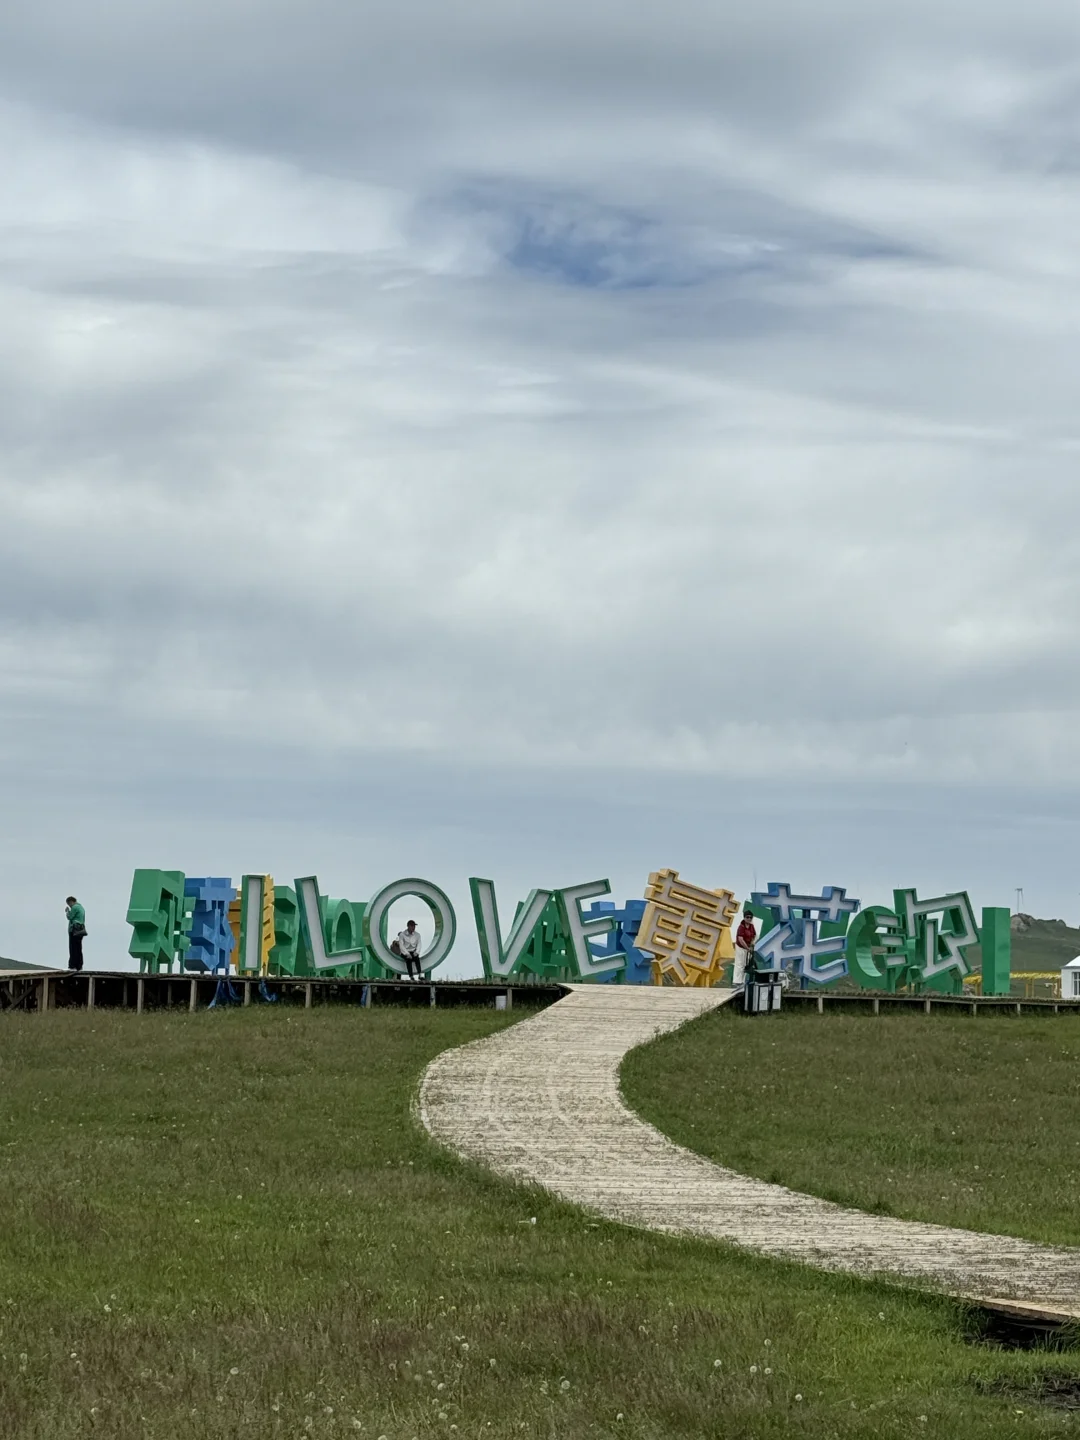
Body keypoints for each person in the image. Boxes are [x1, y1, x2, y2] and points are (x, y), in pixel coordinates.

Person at [734, 906, 756, 989]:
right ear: (744, 917)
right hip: (740, 946)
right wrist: (747, 947)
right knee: (739, 963)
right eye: (747, 917)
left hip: (748, 946)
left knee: (745, 964)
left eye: (750, 917)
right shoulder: (741, 927)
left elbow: (753, 935)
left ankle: (742, 981)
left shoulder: (751, 926)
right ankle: (737, 982)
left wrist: (752, 943)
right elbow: (740, 939)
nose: (749, 919)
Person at [65, 895, 87, 972]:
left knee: (73, 948)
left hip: (74, 930)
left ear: (71, 902)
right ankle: (79, 966)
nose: (69, 906)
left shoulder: (74, 907)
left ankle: (72, 965)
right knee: (79, 948)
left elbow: (70, 917)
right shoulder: (81, 908)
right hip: (80, 930)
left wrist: (67, 911)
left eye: (69, 904)